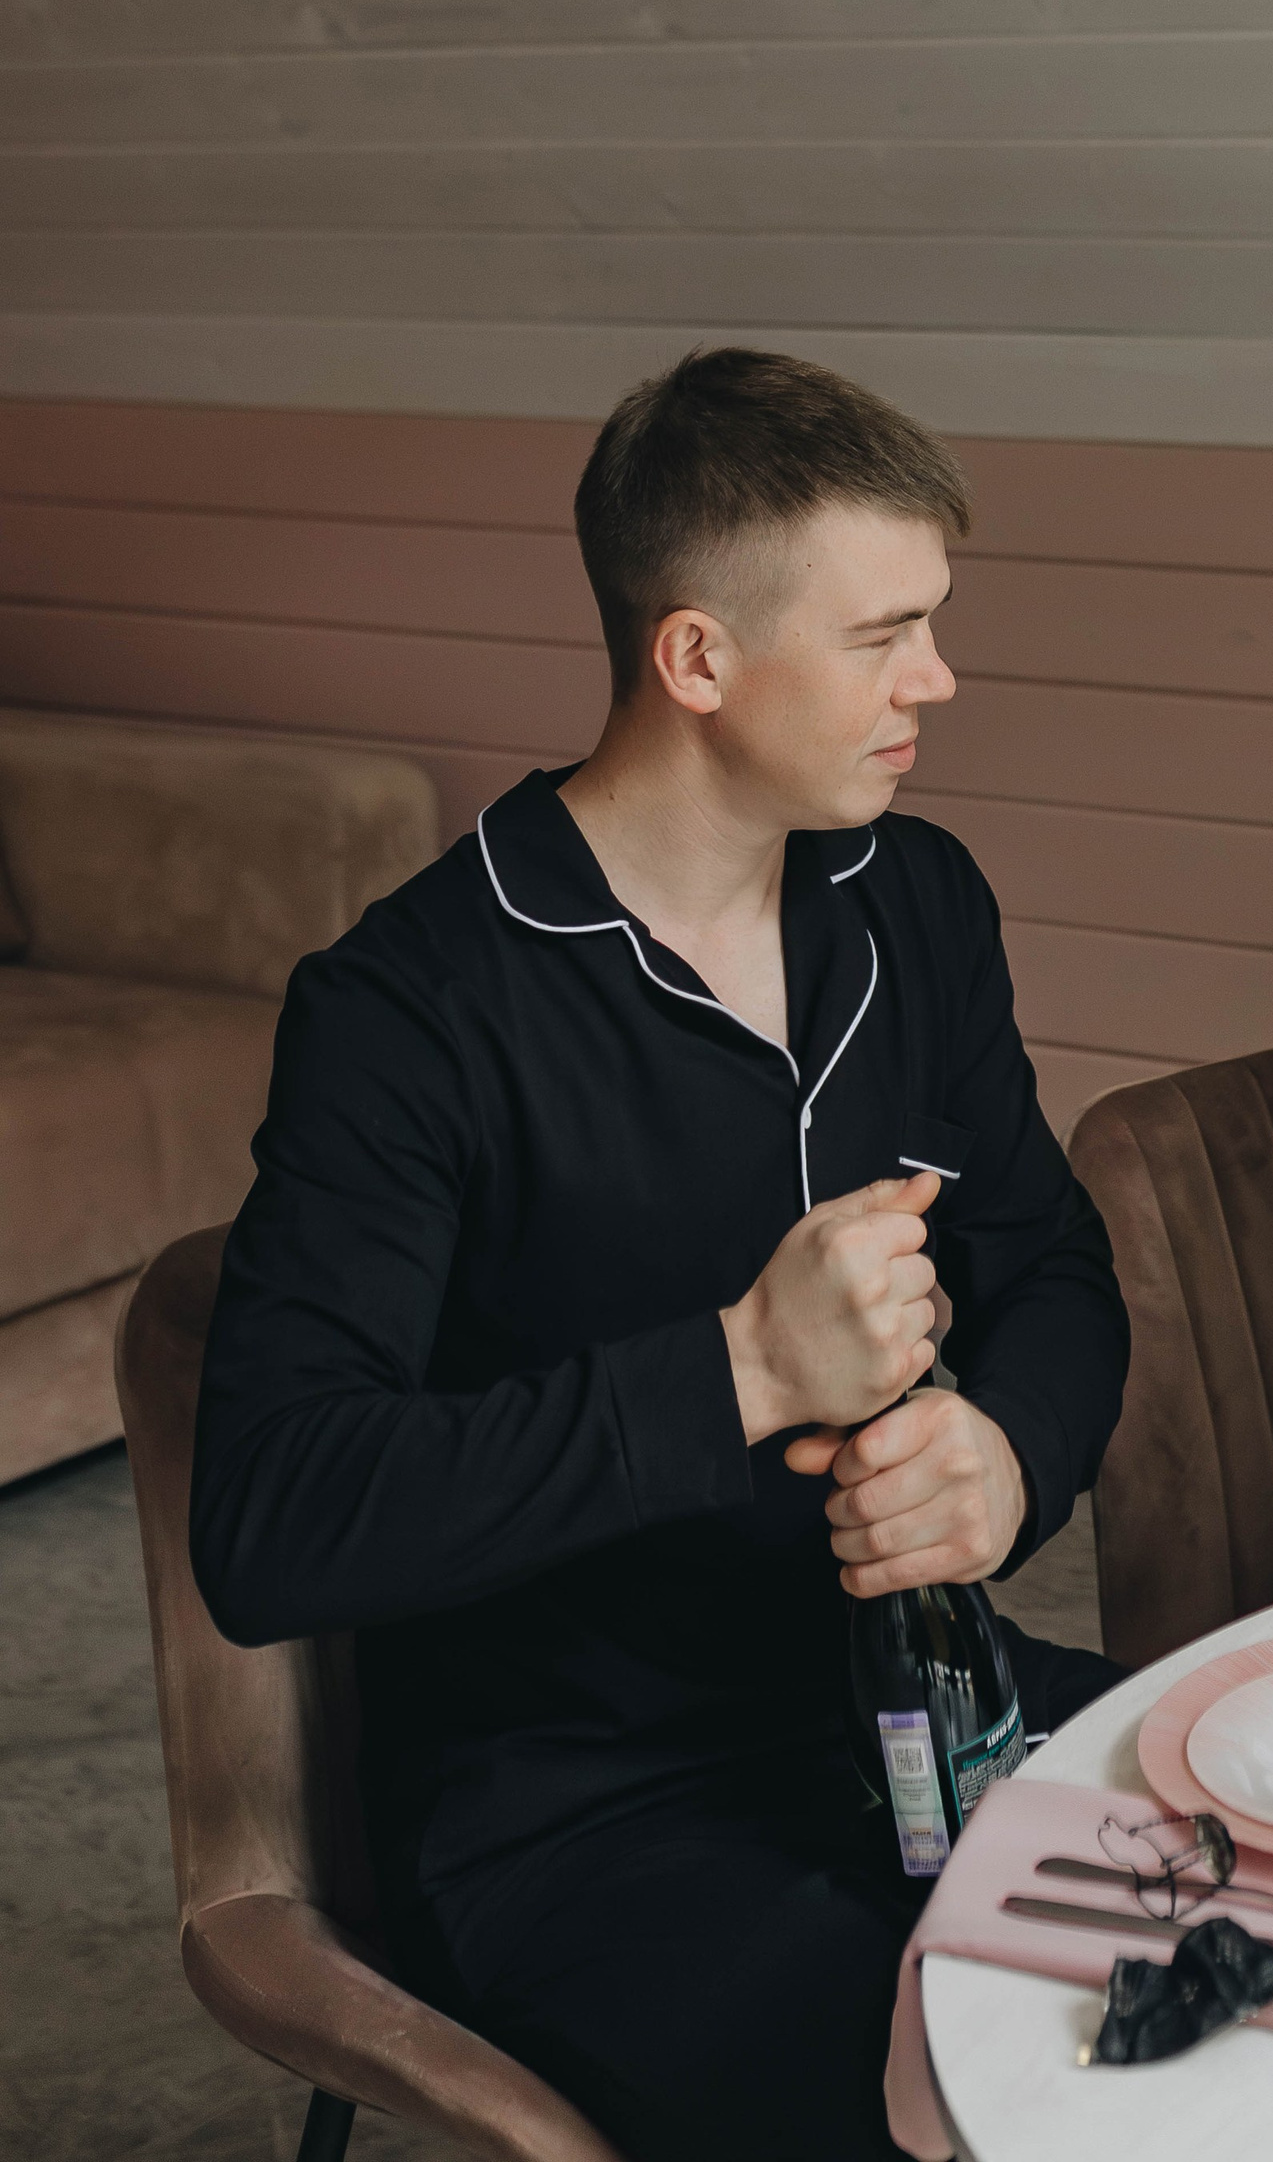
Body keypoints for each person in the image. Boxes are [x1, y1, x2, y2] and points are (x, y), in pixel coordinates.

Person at [191, 348, 1129, 2162]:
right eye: (883, 635)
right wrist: (743, 1373)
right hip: (581, 1806)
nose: (935, 675)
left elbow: (1059, 1274)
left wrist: (1006, 1450)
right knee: (981, 2122)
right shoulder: (408, 1008)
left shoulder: (913, 897)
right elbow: (272, 1511)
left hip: (932, 1702)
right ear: (698, 658)